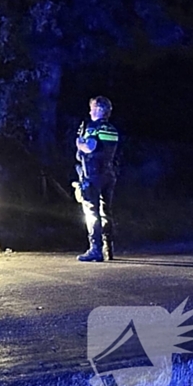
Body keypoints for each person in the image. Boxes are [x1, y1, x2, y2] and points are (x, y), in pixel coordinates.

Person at [75, 96, 119, 262]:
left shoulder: (93, 127)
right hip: (109, 174)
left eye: (92, 107)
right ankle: (109, 248)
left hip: (92, 176)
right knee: (107, 212)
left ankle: (95, 249)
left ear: (100, 109)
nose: (90, 111)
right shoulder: (113, 130)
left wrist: (79, 143)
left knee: (91, 213)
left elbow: (89, 147)